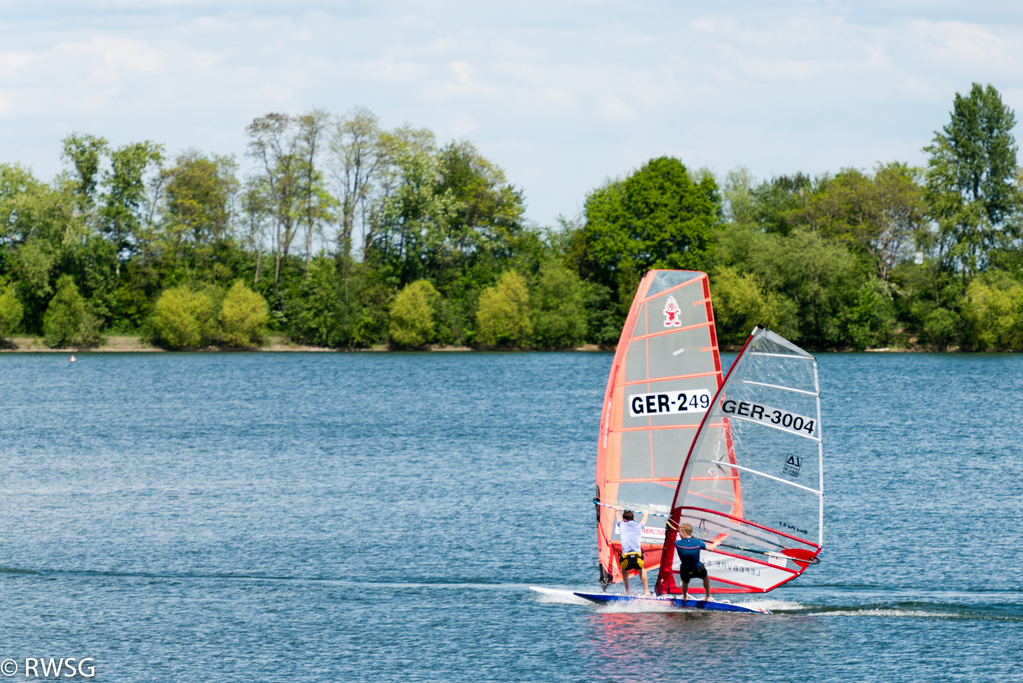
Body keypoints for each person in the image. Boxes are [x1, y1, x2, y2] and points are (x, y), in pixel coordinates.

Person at [674, 522, 721, 601]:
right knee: (705, 578)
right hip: (697, 570)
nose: (679, 535)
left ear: (684, 533)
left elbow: (670, 540)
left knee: (685, 581)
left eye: (680, 533)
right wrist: (716, 543)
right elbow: (711, 548)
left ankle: (685, 596)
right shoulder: (698, 542)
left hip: (685, 571)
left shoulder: (677, 543)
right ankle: (708, 596)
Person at [616, 509, 650, 595]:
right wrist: (645, 513)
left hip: (626, 558)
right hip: (637, 557)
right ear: (634, 518)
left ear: (624, 520)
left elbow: (618, 517)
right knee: (641, 568)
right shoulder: (639, 526)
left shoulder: (622, 525)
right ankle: (646, 591)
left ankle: (627, 590)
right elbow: (644, 519)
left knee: (624, 569)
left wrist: (617, 510)